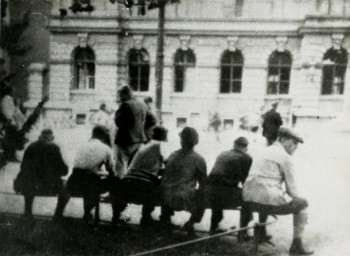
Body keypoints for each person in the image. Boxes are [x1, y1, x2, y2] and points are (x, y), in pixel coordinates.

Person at [242, 127, 313, 255]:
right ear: (284, 140)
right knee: (302, 204)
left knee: (265, 195)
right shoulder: (285, 157)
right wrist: (295, 199)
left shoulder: (263, 150)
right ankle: (296, 245)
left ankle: (261, 233)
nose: (296, 147)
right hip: (265, 199)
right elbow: (292, 190)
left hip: (248, 199)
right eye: (294, 143)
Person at [54, 126, 116, 223]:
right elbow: (112, 170)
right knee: (114, 181)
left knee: (88, 181)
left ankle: (58, 214)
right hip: (89, 183)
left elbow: (82, 166)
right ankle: (114, 215)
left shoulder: (83, 146)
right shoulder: (106, 148)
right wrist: (103, 173)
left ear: (93, 134)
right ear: (104, 137)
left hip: (74, 180)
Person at [112, 125, 169, 227]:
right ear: (164, 136)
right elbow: (169, 164)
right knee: (161, 185)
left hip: (126, 182)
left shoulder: (142, 147)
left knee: (149, 181)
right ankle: (148, 217)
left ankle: (115, 218)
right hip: (143, 186)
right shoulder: (160, 145)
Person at [160, 127, 207, 235]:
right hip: (183, 196)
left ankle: (165, 218)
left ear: (181, 141)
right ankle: (191, 222)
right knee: (204, 193)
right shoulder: (199, 159)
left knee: (168, 186)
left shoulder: (173, 155)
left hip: (164, 194)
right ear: (195, 142)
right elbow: (203, 182)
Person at [205, 137, 253, 241]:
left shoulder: (223, 154)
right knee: (247, 197)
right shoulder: (247, 158)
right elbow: (245, 181)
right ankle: (243, 231)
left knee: (218, 191)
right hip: (226, 193)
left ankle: (214, 226)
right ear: (246, 148)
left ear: (234, 145)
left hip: (208, 191)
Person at [13, 129, 68, 219]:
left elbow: (23, 167)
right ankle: (58, 215)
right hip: (48, 186)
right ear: (52, 138)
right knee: (66, 191)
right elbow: (63, 170)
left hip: (27, 185)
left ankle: (28, 213)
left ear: (39, 137)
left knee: (29, 181)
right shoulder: (53, 147)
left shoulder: (30, 146)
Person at [114, 86, 156, 177]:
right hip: (139, 140)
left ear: (124, 94)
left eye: (120, 95)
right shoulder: (142, 104)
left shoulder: (125, 105)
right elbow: (153, 120)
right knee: (135, 165)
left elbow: (118, 122)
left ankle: (120, 186)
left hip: (124, 141)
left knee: (120, 166)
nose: (119, 98)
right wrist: (143, 130)